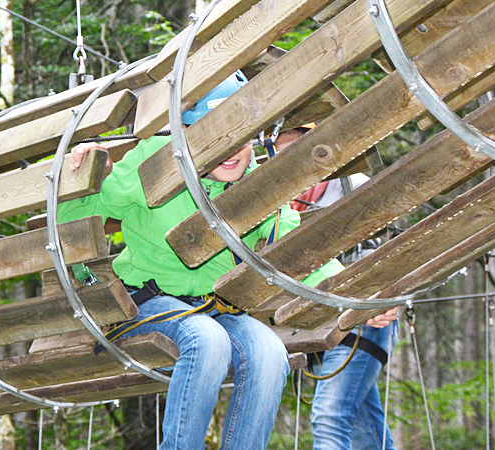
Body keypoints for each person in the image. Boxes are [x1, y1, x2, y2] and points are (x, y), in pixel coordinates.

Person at [58, 72, 342, 450]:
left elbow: (298, 249)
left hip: (215, 307)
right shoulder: (152, 166)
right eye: (212, 136)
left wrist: (350, 291)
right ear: (187, 135)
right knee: (206, 341)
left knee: (270, 353)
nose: (229, 150)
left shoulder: (257, 186)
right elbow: (76, 217)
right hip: (145, 301)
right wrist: (81, 175)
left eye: (240, 137)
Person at [271, 127, 401, 450]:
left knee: (330, 415)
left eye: (299, 155)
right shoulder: (275, 209)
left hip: (363, 316)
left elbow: (383, 257)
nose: (292, 168)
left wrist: (381, 296)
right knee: (363, 428)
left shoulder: (351, 186)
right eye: (282, 159)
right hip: (313, 321)